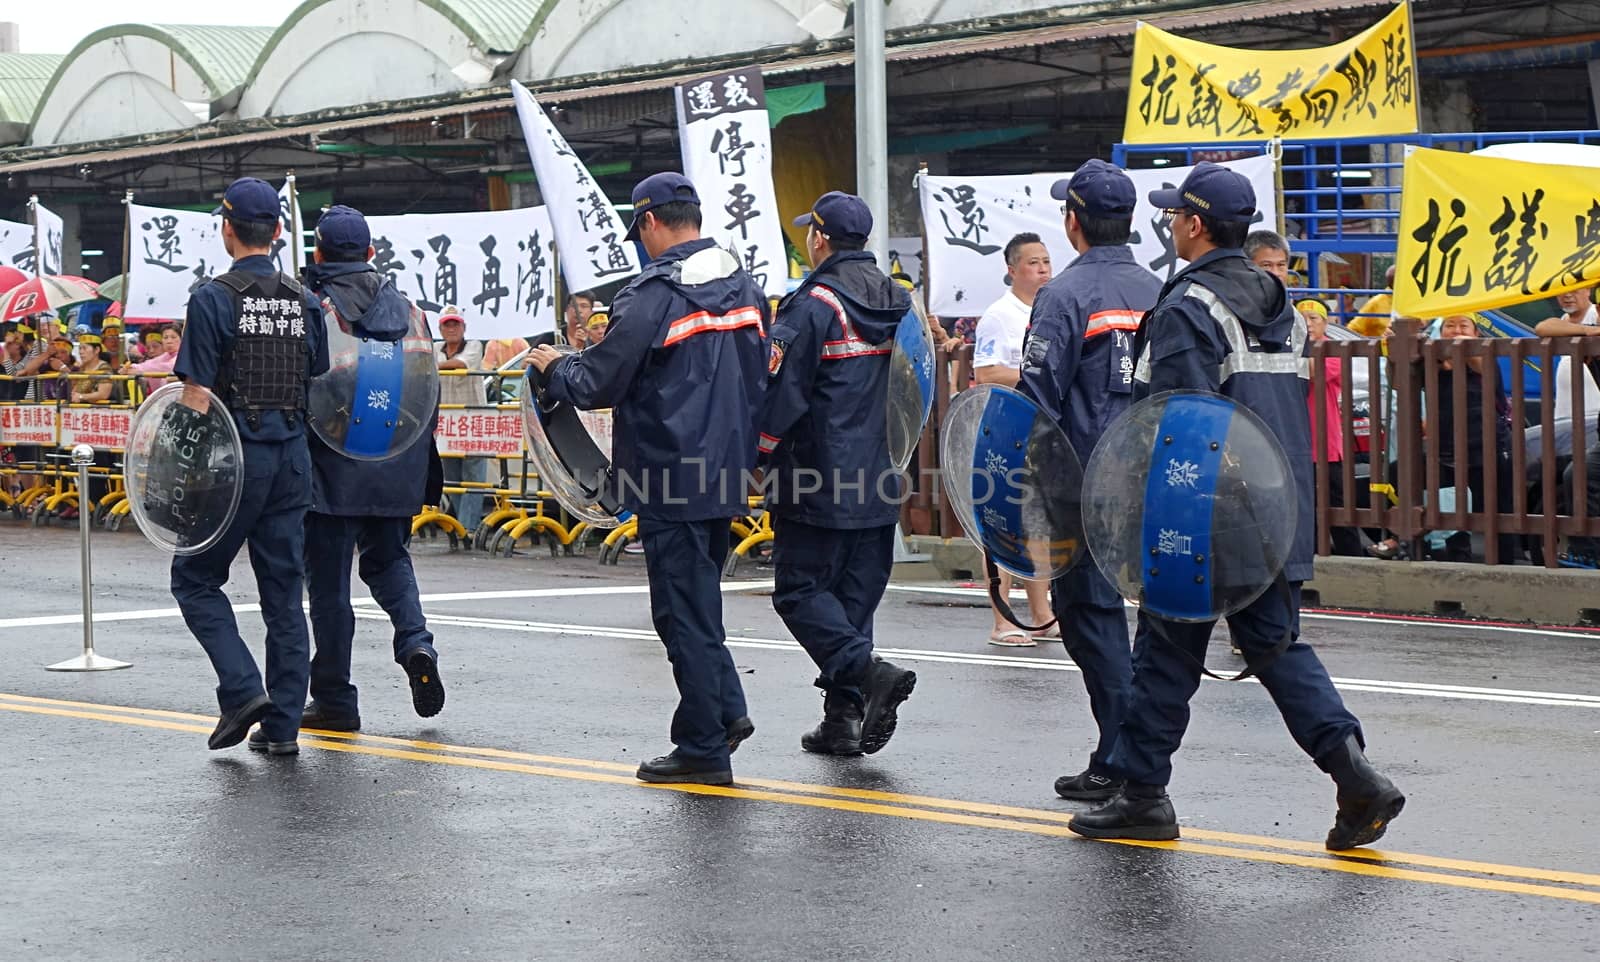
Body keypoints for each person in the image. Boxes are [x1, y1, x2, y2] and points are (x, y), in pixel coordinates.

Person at [1068, 163, 1404, 851]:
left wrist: (1147, 516)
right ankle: (1356, 776)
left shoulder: (1190, 307)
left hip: (1200, 516)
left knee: (1163, 653)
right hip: (1277, 509)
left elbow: (1179, 424)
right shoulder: (1280, 306)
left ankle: (1142, 796)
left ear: (1194, 225)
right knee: (1277, 648)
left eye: (1173, 216)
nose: (1168, 224)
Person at [528, 172, 765, 786]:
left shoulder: (651, 293)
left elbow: (598, 382)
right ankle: (725, 712)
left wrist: (558, 367)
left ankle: (703, 749)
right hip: (725, 470)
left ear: (650, 222)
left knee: (681, 613)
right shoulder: (745, 288)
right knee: (698, 602)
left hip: (667, 474)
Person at [169, 177, 329, 756]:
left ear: (227, 229)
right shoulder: (304, 298)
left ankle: (240, 690)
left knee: (194, 579)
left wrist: (176, 468)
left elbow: (194, 394)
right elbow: (315, 371)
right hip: (292, 461)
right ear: (280, 232)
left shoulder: (213, 298)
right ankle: (282, 727)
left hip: (232, 461)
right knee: (284, 594)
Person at [1017, 159, 1161, 801]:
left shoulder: (1064, 295)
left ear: (1072, 222)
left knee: (1092, 618)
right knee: (1138, 621)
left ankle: (1126, 761)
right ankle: (1119, 754)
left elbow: (1036, 397)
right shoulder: (1162, 288)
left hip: (1084, 479)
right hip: (1153, 476)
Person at [758, 190, 920, 757]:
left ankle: (866, 675)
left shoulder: (811, 306)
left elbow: (782, 399)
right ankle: (843, 720)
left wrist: (756, 457)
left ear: (820, 238)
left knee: (800, 592)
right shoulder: (903, 304)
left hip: (815, 478)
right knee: (853, 601)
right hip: (884, 475)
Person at [285, 204, 444, 745]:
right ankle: (416, 642)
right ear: (372, 253)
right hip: (397, 461)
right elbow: (428, 391)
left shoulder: (312, 307)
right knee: (390, 561)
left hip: (331, 468)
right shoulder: (410, 309)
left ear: (318, 254)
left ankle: (334, 699)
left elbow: (298, 390)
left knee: (329, 589)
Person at [971, 233, 1055, 645]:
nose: (1042, 269)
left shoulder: (1052, 311)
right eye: (1033, 263)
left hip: (1042, 430)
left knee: (1038, 522)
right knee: (1001, 524)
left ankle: (1042, 613)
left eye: (1046, 262)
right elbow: (986, 373)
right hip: (1005, 429)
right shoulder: (999, 315)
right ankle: (1002, 619)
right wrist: (1037, 374)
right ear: (1012, 269)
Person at [1300, 299, 1364, 557]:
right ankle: (1312, 557)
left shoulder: (1332, 349)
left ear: (1326, 323)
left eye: (1314, 318)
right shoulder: (1292, 348)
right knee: (1306, 507)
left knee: (1338, 504)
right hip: (1298, 440)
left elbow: (1311, 372)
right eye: (1302, 317)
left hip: (1326, 442)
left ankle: (1353, 558)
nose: (1307, 322)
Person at [434, 306, 489, 539]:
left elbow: (461, 364)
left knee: (474, 475)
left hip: (473, 420)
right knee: (452, 477)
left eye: (455, 324)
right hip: (446, 423)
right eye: (447, 324)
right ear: (440, 329)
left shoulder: (474, 345)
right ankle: (462, 524)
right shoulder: (435, 347)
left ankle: (468, 528)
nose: (452, 329)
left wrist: (433, 365)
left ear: (464, 327)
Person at [1533, 285, 1600, 421]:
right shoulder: (1564, 320)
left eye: (1574, 289)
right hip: (1567, 410)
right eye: (1561, 290)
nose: (1567, 295)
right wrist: (1587, 330)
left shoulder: (1595, 313)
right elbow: (1542, 328)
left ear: (1588, 290)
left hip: (1592, 410)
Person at [120, 323, 182, 396]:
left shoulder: (184, 355)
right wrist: (131, 367)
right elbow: (151, 364)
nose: (169, 341)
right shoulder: (166, 355)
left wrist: (139, 370)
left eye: (173, 337)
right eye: (165, 338)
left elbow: (167, 366)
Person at [1350, 266, 1396, 337]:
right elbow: (1352, 329)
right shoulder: (1376, 303)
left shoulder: (1412, 300)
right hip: (1381, 345)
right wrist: (1377, 339)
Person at [69, 333, 113, 404]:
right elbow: (75, 391)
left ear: (96, 350)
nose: (81, 352)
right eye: (80, 348)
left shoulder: (104, 368)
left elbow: (103, 394)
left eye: (84, 348)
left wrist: (81, 396)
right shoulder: (82, 368)